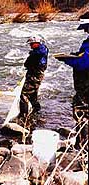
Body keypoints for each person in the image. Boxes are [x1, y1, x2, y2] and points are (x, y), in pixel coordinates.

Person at [55, 16, 89, 149]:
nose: (86, 31)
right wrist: (76, 54)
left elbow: (83, 63)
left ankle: (84, 148)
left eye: (86, 28)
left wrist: (67, 59)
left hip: (86, 86)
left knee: (82, 112)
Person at [17, 36, 49, 123]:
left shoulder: (37, 53)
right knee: (32, 94)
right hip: (36, 74)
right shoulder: (42, 49)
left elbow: (28, 63)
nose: (30, 46)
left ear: (36, 43)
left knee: (24, 95)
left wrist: (30, 57)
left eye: (31, 44)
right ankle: (36, 110)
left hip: (34, 75)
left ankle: (23, 116)